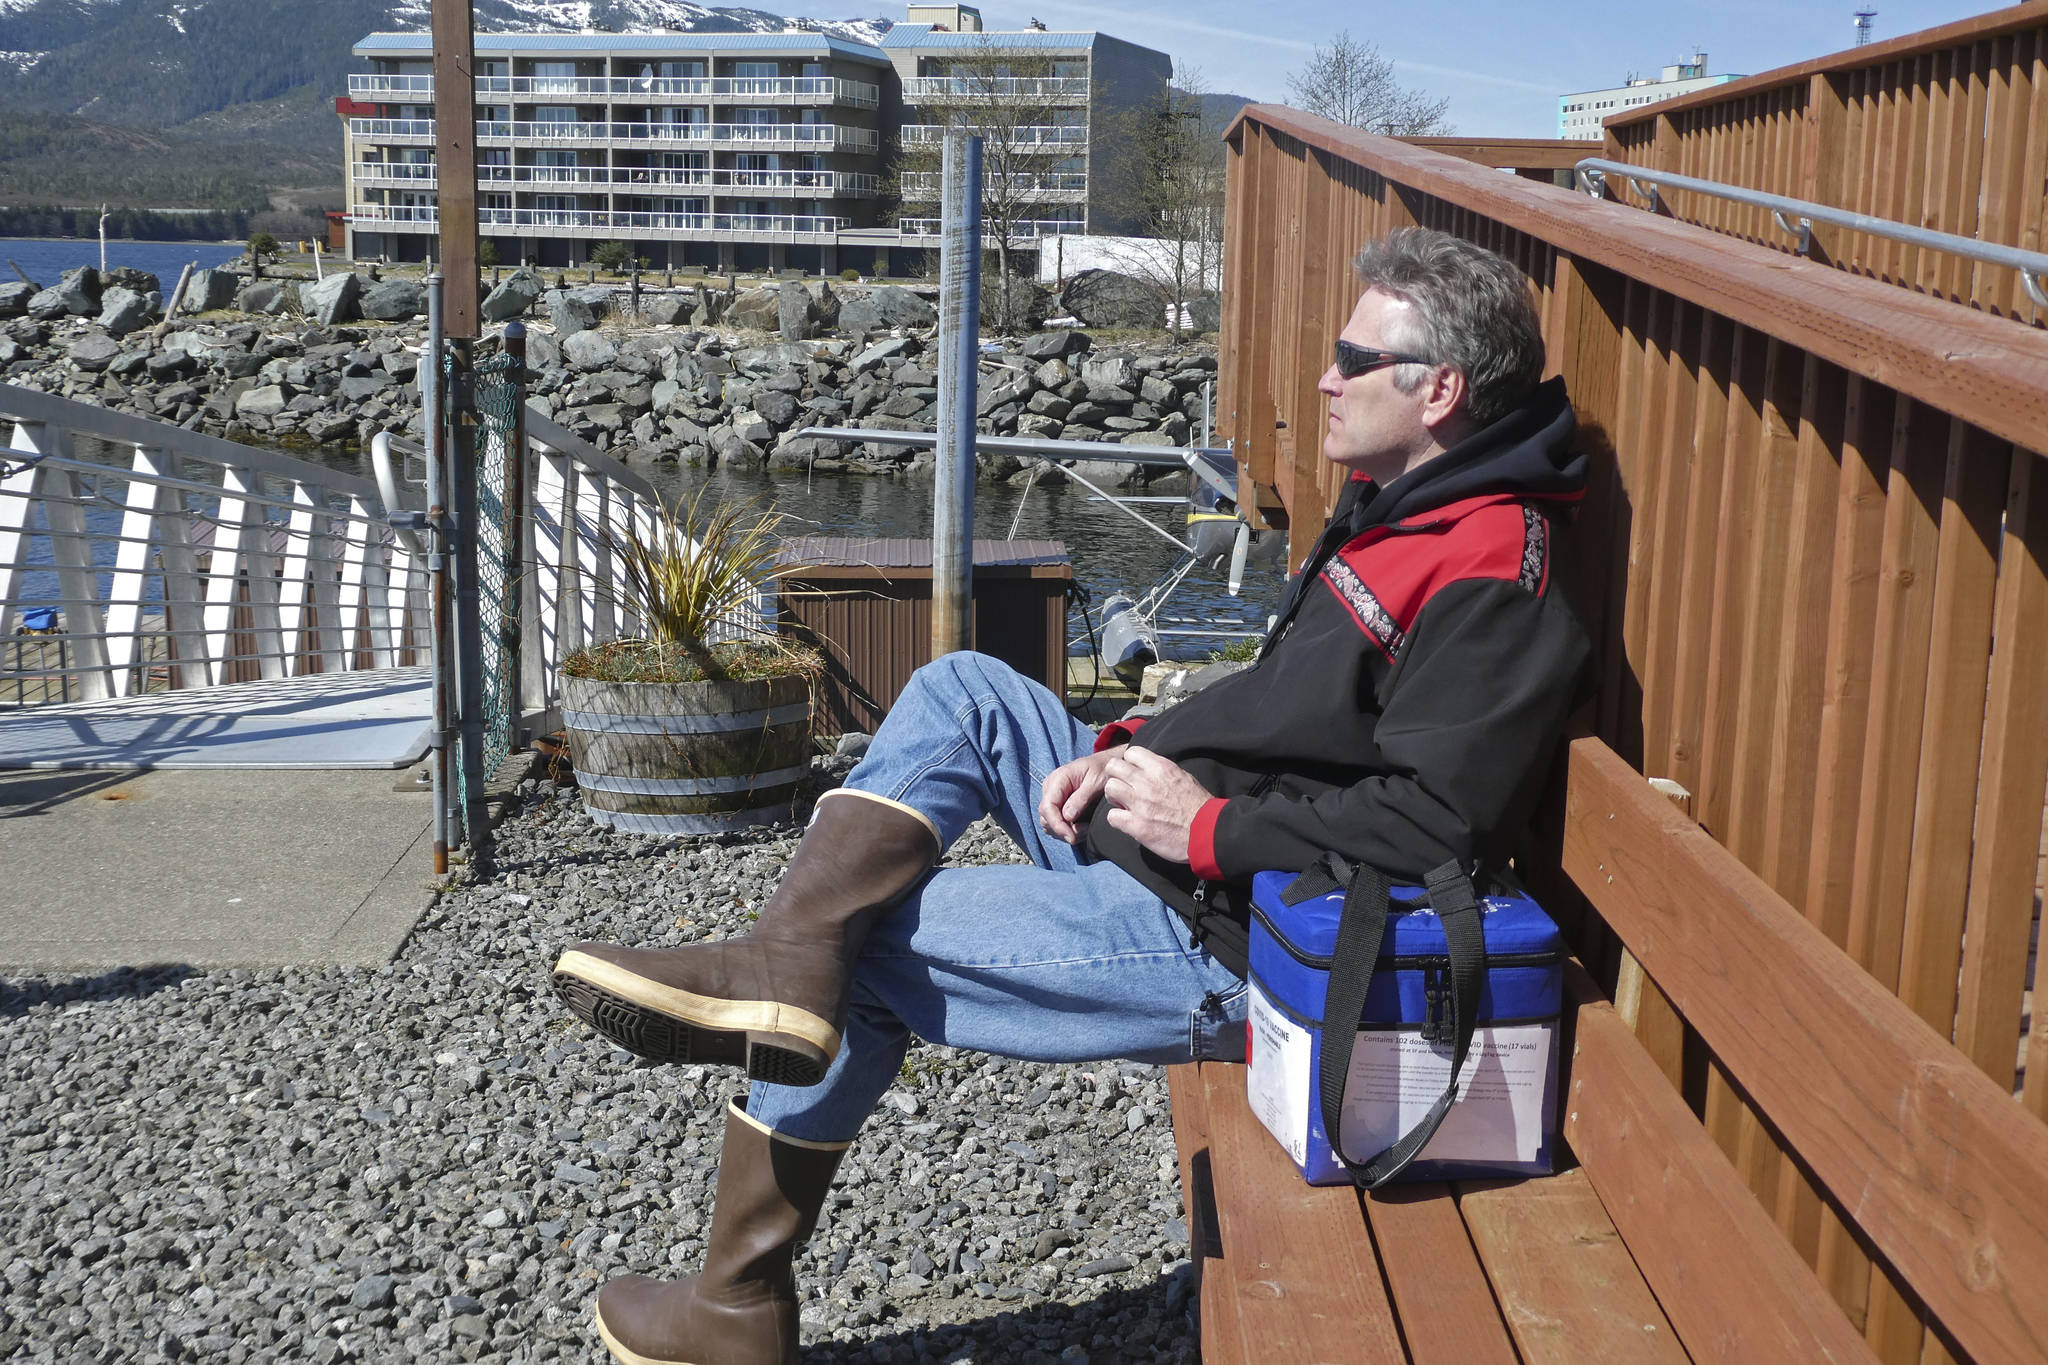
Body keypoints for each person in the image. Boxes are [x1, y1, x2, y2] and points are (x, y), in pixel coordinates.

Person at [552, 226, 1594, 1365]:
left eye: (1352, 356)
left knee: (875, 939)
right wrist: (1131, 741)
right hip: (1187, 848)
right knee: (963, 689)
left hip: (1239, 938)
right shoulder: (1400, 505)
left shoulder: (1492, 565)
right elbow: (1292, 716)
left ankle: (735, 1296)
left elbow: (1436, 825)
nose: (1322, 377)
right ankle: (780, 961)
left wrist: (1205, 826)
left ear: (1438, 388)